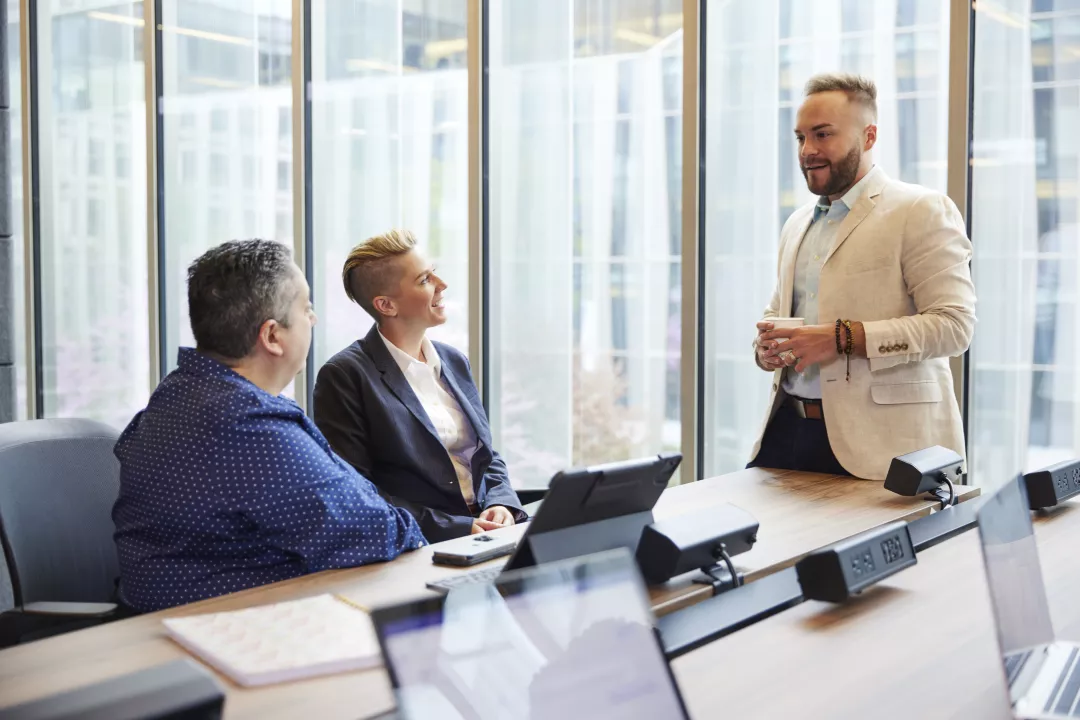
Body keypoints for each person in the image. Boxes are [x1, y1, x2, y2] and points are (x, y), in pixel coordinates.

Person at [112, 239, 424, 613]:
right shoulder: (251, 427)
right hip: (235, 633)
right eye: (306, 308)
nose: (314, 319)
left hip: (171, 625)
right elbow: (379, 533)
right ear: (273, 336)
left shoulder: (177, 395)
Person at [750, 72, 976, 479]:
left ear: (868, 137)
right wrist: (765, 349)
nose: (808, 150)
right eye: (800, 137)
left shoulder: (920, 210)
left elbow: (954, 327)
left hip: (885, 449)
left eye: (823, 135)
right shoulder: (798, 223)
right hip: (786, 433)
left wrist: (842, 338)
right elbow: (777, 312)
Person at [314, 229, 525, 543]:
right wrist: (455, 527)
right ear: (386, 305)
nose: (443, 285)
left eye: (434, 273)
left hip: (486, 533)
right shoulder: (345, 375)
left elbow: (487, 457)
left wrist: (500, 502)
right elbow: (356, 491)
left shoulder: (453, 361)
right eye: (425, 280)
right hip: (421, 543)